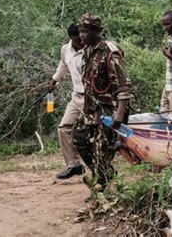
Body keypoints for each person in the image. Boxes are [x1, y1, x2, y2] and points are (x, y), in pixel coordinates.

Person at [73, 13, 134, 188]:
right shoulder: (87, 50)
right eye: (80, 31)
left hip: (108, 110)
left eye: (85, 32)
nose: (81, 35)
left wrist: (119, 115)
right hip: (91, 108)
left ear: (97, 32)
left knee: (101, 149)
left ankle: (101, 189)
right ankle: (103, 172)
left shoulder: (110, 52)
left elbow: (124, 86)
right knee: (78, 138)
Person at [48, 23, 85, 180]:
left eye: (82, 37)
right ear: (71, 38)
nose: (81, 41)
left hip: (93, 98)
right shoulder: (65, 49)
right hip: (77, 97)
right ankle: (73, 165)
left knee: (92, 132)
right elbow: (63, 65)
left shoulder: (91, 49)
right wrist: (54, 81)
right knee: (64, 128)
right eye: (77, 39)